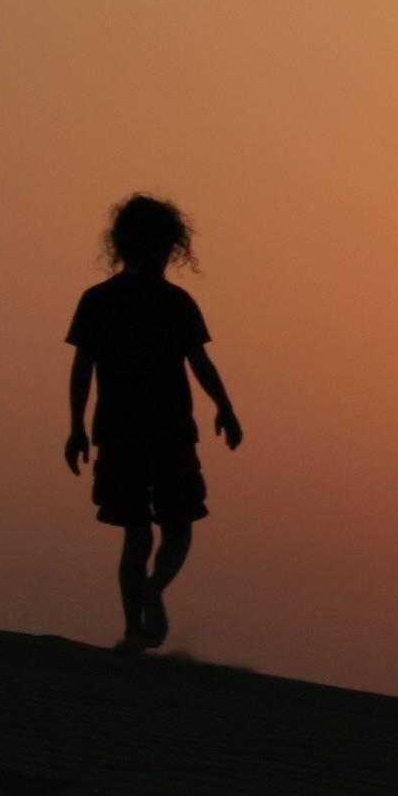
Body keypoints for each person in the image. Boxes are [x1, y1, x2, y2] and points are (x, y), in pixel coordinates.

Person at [64, 194, 241, 650]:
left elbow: (83, 367)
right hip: (168, 430)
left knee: (135, 532)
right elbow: (199, 361)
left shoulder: (98, 300)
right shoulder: (175, 302)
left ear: (120, 245)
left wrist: (77, 427)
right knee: (177, 527)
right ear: (169, 247)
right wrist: (225, 406)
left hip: (118, 430)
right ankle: (152, 591)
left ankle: (132, 627)